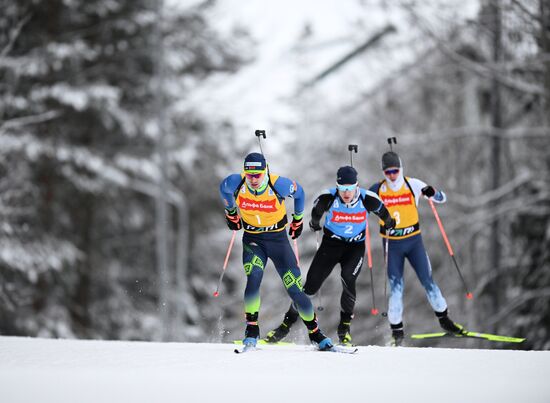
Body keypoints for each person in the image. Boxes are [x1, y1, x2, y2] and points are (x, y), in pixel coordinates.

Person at [265, 166, 396, 346]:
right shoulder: (328, 197)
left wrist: (389, 223)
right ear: (337, 187)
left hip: (355, 248)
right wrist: (314, 223)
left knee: (348, 278)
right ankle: (285, 326)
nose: (346, 193)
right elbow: (316, 213)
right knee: (310, 286)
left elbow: (385, 214)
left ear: (356, 186)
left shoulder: (368, 199)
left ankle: (344, 330)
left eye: (350, 189)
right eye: (342, 189)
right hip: (331, 245)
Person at [219, 152, 333, 350]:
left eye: (258, 174)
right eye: (249, 174)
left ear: (265, 171)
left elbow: (300, 193)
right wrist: (231, 213)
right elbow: (223, 189)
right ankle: (252, 330)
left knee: (295, 289)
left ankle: (315, 333)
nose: (253, 179)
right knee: (253, 278)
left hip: (278, 240)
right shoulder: (235, 183)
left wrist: (297, 219)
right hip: (253, 240)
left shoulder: (278, 184)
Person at [369, 151, 466, 346]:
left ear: (401, 169)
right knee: (396, 289)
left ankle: (445, 321)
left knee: (428, 281)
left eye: (395, 171)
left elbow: (441, 197)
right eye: (388, 172)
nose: (392, 176)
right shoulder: (378, 189)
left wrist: (432, 192)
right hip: (391, 244)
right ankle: (397, 333)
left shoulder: (412, 184)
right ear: (383, 172)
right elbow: (359, 203)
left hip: (414, 242)